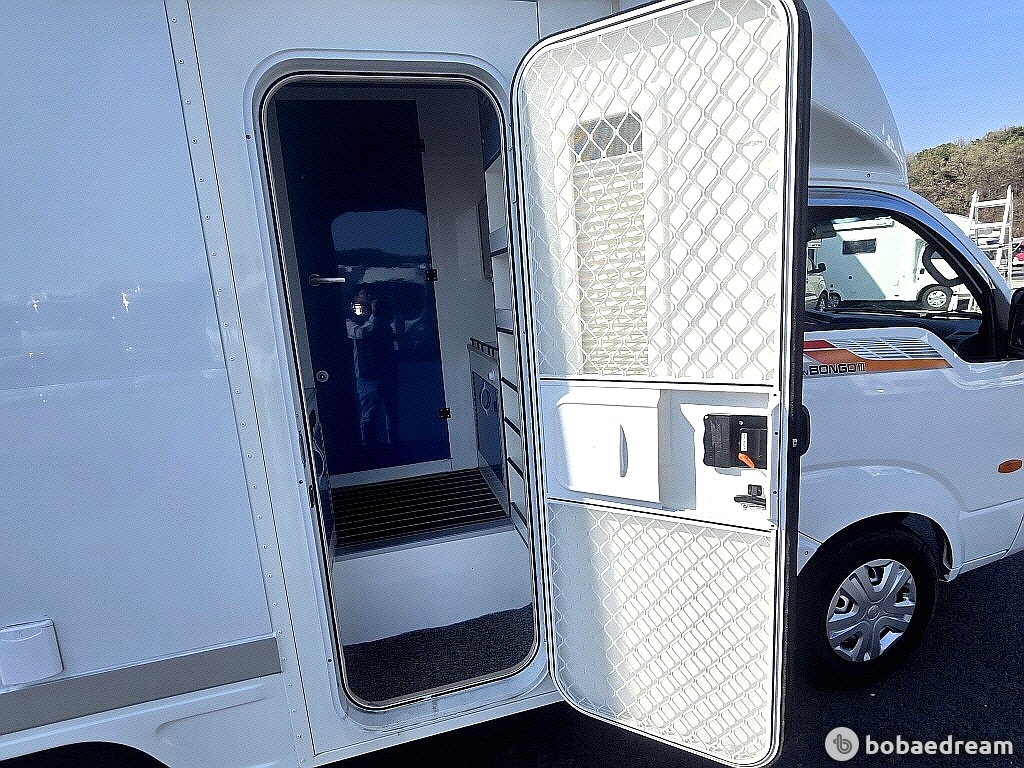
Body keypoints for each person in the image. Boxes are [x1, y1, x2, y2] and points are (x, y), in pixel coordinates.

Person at [346, 286, 395, 447]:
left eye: (370, 293)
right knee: (368, 416)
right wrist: (374, 315)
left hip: (387, 372)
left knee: (393, 414)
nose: (369, 296)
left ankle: (394, 446)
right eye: (364, 294)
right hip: (367, 377)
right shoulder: (350, 321)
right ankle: (368, 449)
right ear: (356, 299)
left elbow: (393, 334)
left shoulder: (383, 318)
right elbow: (362, 333)